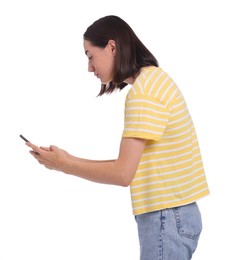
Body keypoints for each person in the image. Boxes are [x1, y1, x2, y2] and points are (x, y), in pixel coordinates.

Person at [26, 15, 210, 260]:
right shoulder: (153, 81)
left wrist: (65, 165)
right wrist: (68, 160)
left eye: (90, 56)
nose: (89, 67)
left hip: (166, 218)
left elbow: (123, 174)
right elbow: (128, 165)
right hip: (174, 215)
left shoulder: (144, 93)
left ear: (112, 47)